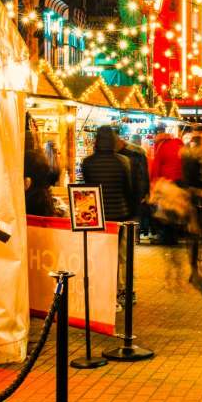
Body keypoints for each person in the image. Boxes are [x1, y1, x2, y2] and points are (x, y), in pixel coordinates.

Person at [81, 126, 136, 305]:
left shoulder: (87, 162)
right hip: (118, 214)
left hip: (95, 215)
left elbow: (87, 189)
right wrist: (132, 211)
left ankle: (98, 291)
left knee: (97, 254)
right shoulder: (123, 161)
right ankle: (114, 294)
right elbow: (128, 189)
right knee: (115, 254)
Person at [24, 125, 59, 217]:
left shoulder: (25, 158)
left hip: (31, 200)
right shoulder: (39, 157)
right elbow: (53, 176)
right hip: (43, 200)